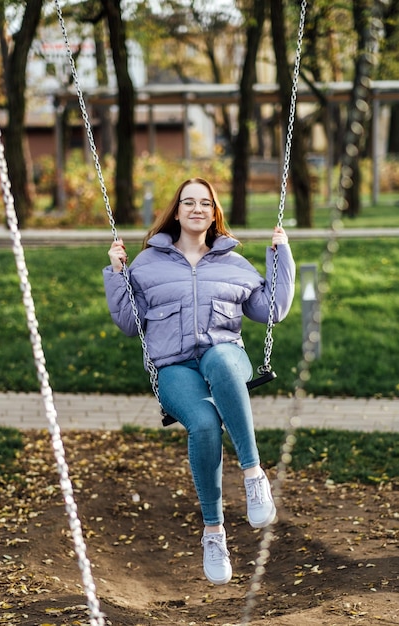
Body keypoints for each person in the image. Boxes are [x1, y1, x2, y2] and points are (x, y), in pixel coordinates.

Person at [103, 177, 295, 585]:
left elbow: (272, 310)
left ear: (214, 212)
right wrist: (116, 271)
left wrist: (282, 256)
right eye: (187, 202)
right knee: (205, 426)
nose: (196, 209)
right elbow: (125, 321)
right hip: (172, 368)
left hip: (226, 356)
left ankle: (253, 475)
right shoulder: (148, 265)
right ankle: (214, 532)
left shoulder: (234, 264)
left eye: (204, 203)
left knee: (222, 361)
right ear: (176, 211)